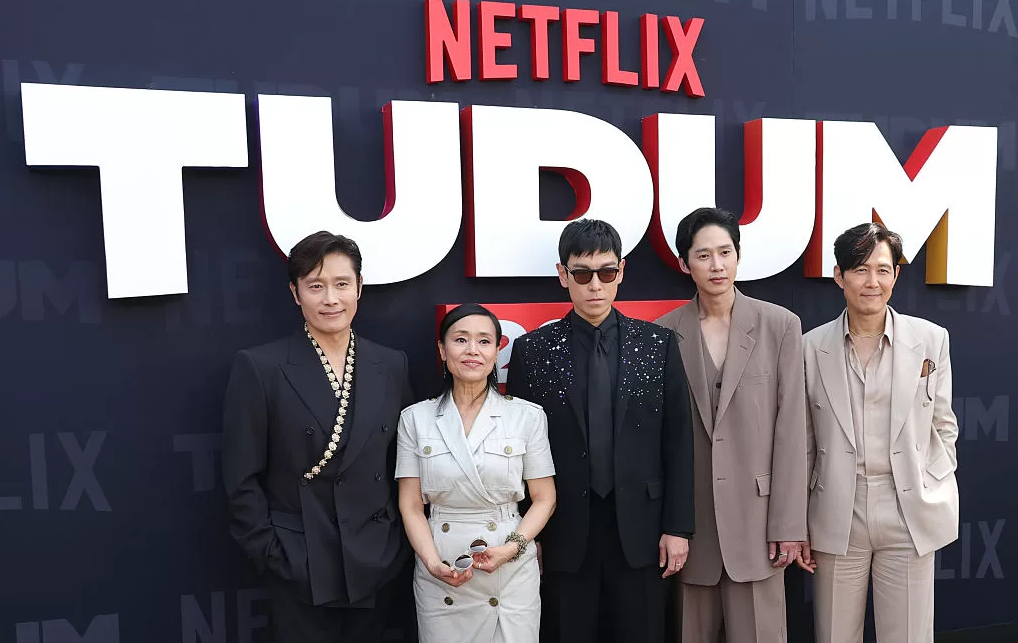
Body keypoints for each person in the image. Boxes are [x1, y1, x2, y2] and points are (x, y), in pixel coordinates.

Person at [505, 218, 695, 643]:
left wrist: (678, 527)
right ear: (563, 275)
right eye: (583, 274)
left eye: (607, 273)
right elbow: (516, 451)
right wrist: (526, 534)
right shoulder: (532, 350)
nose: (595, 285)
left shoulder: (658, 344)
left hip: (643, 530)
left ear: (621, 272)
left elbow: (679, 440)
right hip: (562, 530)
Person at [221, 231, 414, 643]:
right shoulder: (261, 367)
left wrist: (395, 546)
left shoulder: (391, 364)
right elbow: (241, 478)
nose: (331, 298)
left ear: (359, 288)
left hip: (375, 558)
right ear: (296, 294)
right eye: (316, 286)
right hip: (301, 560)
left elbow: (404, 463)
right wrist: (273, 552)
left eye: (342, 284)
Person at [800, 222, 960, 643]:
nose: (873, 281)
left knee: (908, 636)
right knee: (834, 635)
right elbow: (803, 442)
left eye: (883, 269)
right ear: (839, 276)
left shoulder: (930, 339)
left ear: (895, 275)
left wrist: (931, 480)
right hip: (838, 512)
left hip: (908, 510)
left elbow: (944, 424)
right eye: (860, 270)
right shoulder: (809, 348)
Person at [654, 207, 807, 642]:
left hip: (759, 525)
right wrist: (669, 524)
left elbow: (792, 430)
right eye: (703, 255)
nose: (716, 265)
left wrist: (789, 525)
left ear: (738, 256)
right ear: (685, 264)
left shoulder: (780, 326)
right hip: (691, 526)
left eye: (725, 252)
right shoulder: (664, 333)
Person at [396, 303, 557, 642]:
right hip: (442, 566)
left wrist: (512, 546)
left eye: (484, 341)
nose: (472, 350)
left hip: (511, 566)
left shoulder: (527, 416)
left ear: (498, 349)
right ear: (442, 349)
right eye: (460, 340)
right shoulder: (415, 418)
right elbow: (411, 506)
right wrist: (432, 563)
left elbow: (545, 499)